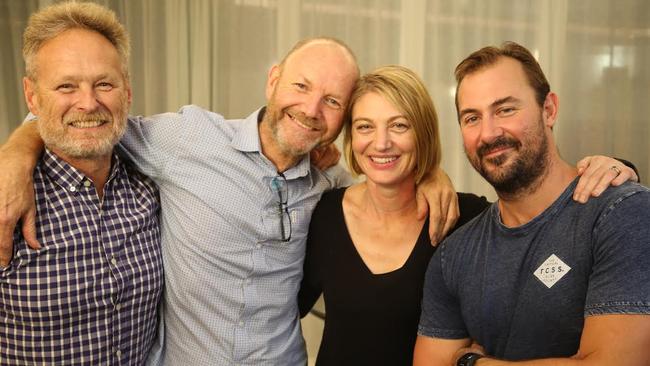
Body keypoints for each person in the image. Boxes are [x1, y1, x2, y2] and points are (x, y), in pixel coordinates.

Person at [0, 33, 466, 363]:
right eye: (301, 87)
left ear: (342, 119)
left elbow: (387, 176)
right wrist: (16, 153)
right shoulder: (186, 138)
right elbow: (88, 120)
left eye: (331, 101)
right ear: (273, 80)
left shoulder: (331, 186)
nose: (310, 109)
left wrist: (429, 172)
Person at [298, 65, 639, 365]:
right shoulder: (325, 213)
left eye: (399, 125)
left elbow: (542, 211)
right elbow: (280, 302)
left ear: (423, 134)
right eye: (364, 127)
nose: (381, 142)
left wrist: (616, 169)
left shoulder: (462, 218)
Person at [414, 42, 650, 366]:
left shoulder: (621, 215)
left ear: (549, 110)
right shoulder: (453, 255)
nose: (489, 133)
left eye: (505, 109)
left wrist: (472, 362)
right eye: (472, 118)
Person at [0, 2, 163, 365]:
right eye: (65, 86)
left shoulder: (153, 186)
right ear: (32, 96)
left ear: (127, 92)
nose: (88, 104)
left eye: (104, 84)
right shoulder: (7, 201)